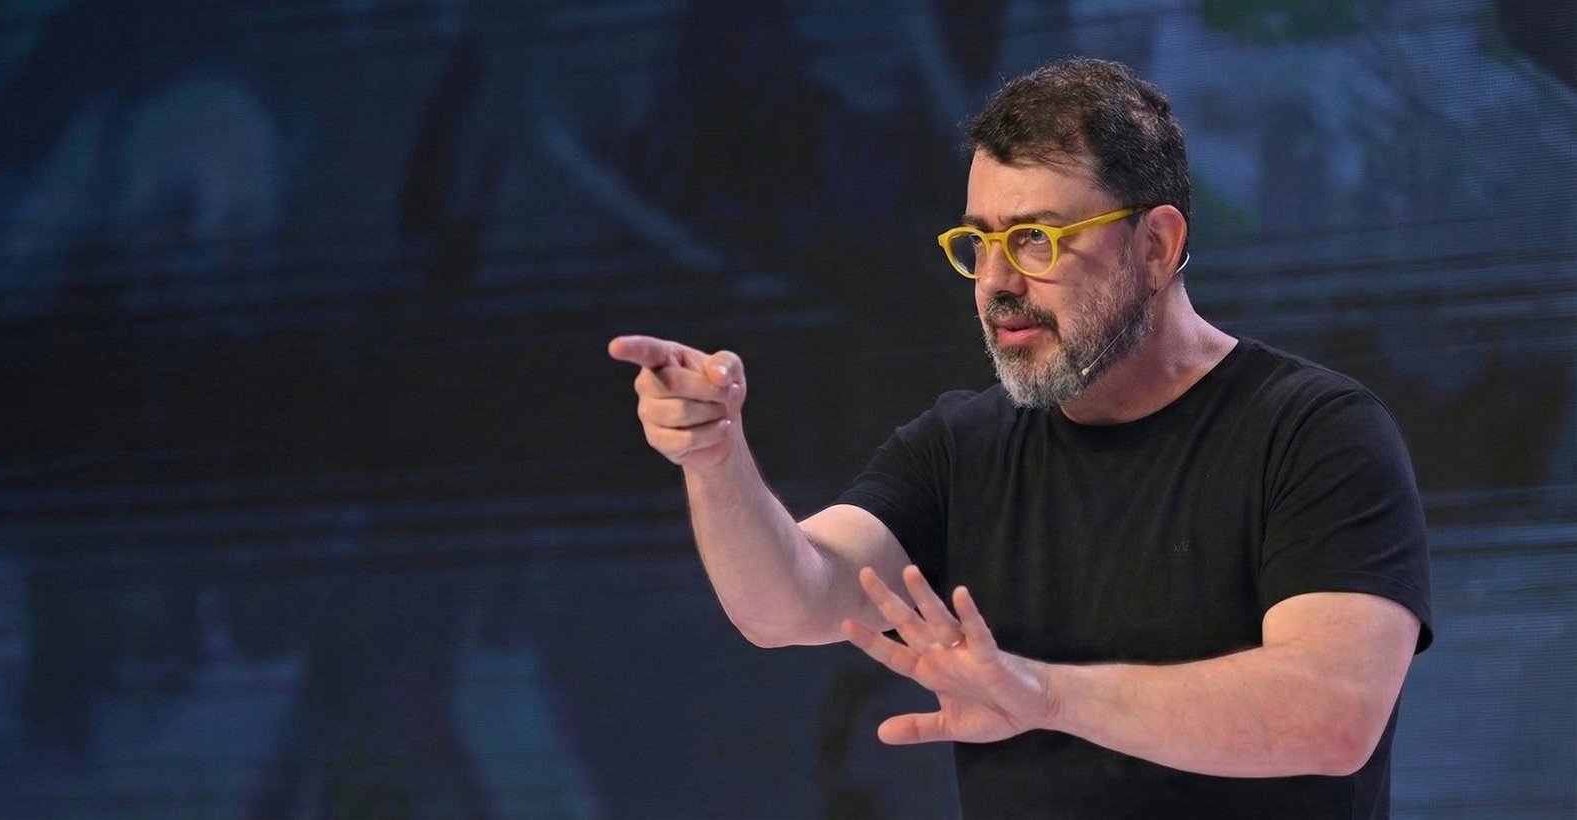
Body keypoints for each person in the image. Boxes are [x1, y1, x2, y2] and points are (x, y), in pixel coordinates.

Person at [608, 57, 1431, 818]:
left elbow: (1331, 714)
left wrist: (1043, 696)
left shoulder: (1315, 432)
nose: (998, 282)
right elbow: (789, 602)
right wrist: (715, 460)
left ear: (1157, 246)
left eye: (1035, 238)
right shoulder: (961, 447)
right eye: (979, 243)